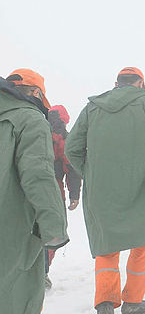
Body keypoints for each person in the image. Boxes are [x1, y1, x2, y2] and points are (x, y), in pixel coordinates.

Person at [66, 67, 145, 314]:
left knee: (107, 248)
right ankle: (132, 302)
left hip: (101, 190)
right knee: (141, 243)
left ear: (115, 83)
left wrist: (92, 173)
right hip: (141, 184)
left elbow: (72, 147)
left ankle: (105, 308)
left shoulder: (93, 108)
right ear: (140, 82)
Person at [1, 70, 69, 314]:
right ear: (36, 94)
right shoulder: (29, 118)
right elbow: (38, 175)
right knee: (26, 290)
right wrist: (54, 227)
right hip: (13, 224)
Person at [45, 104, 82, 289]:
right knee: (53, 232)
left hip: (26, 190)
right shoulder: (63, 138)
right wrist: (74, 194)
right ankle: (43, 272)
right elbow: (71, 167)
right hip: (54, 191)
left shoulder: (36, 129)